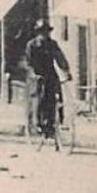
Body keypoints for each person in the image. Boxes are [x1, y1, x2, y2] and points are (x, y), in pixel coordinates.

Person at [24, 20, 72, 148]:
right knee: (40, 99)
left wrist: (66, 70)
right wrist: (33, 74)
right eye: (42, 32)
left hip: (50, 74)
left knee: (57, 98)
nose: (45, 35)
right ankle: (39, 124)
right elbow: (28, 63)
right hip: (37, 76)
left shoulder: (52, 44)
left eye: (47, 32)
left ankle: (57, 123)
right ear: (38, 33)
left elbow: (59, 58)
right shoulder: (32, 45)